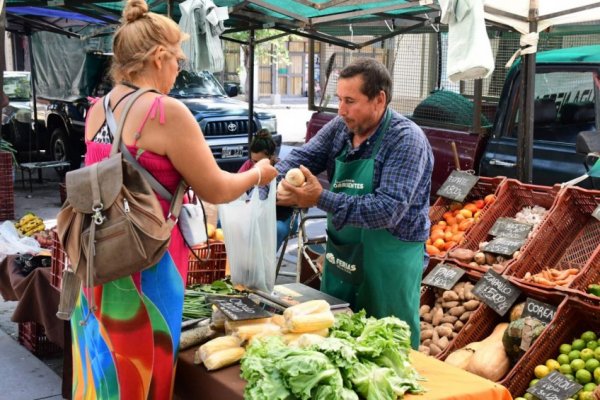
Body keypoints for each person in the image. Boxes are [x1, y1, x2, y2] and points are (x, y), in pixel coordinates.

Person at [76, 1, 277, 398]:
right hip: (148, 263)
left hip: (98, 258)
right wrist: (259, 173)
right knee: (143, 366)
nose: (179, 69)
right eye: (177, 59)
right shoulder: (165, 112)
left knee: (102, 367)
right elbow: (216, 189)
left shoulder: (99, 109)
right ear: (158, 57)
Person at [277, 57, 433, 349]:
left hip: (389, 260)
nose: (341, 110)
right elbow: (301, 158)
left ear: (379, 99)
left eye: (350, 101)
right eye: (339, 99)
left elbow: (387, 210)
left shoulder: (406, 140)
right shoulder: (341, 128)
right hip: (344, 255)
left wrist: (319, 197)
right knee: (336, 340)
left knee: (389, 348)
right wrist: (279, 183)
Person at [238, 129, 297, 250]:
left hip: (283, 218)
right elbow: (237, 187)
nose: (256, 166)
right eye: (254, 161)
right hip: (256, 215)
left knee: (276, 230)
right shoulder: (249, 166)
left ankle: (264, 266)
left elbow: (293, 201)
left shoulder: (283, 170)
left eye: (260, 162)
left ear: (272, 157)